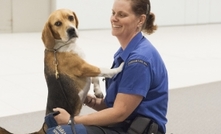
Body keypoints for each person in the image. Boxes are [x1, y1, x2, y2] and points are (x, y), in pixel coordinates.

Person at [53, 0, 168, 133]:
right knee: (53, 123)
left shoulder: (138, 60)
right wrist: (88, 99)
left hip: (136, 130)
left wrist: (71, 120)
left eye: (122, 15)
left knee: (61, 131)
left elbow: (119, 113)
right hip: (124, 124)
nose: (114, 18)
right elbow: (114, 106)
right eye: (113, 13)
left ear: (140, 20)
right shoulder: (124, 54)